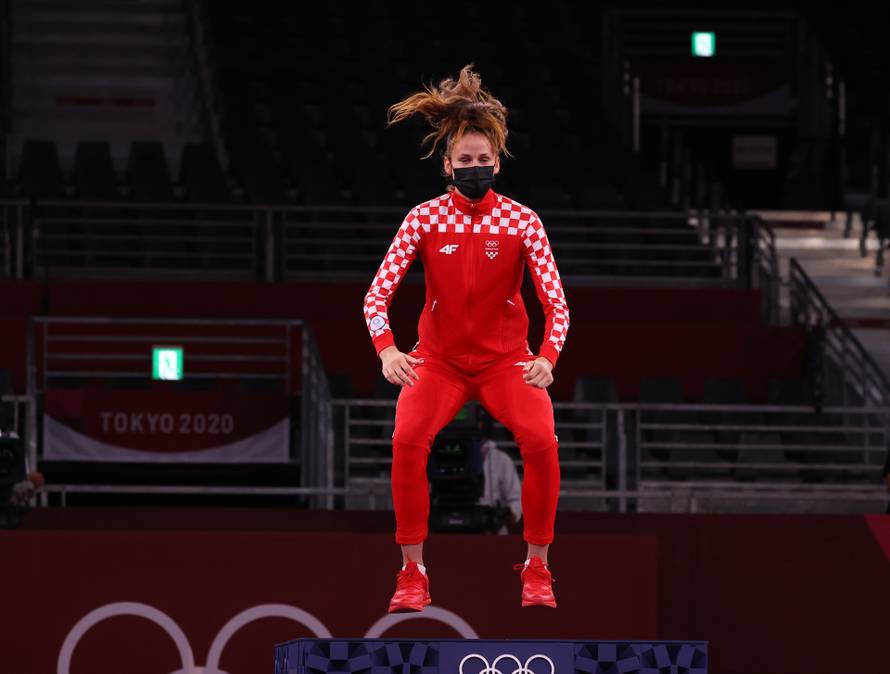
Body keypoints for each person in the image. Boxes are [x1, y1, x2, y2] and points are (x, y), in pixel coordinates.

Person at [362, 65, 570, 611]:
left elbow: (557, 305)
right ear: (447, 166)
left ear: (496, 163)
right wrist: (387, 351)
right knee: (407, 441)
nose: (475, 167)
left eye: (484, 160)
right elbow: (375, 296)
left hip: (506, 363)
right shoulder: (423, 219)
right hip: (440, 363)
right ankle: (412, 573)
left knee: (542, 441)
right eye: (465, 161)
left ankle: (538, 568)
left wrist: (547, 357)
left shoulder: (524, 222)